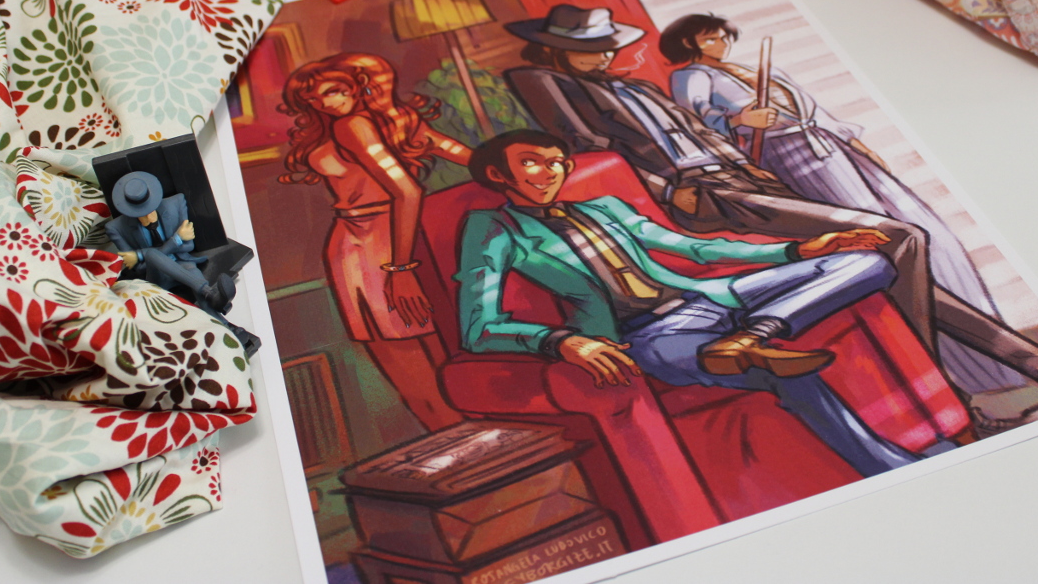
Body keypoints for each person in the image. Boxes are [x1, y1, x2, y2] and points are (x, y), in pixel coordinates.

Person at [503, 3, 1038, 406]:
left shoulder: (635, 86)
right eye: (591, 47)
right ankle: (967, 390)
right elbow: (589, 152)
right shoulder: (546, 82)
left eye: (606, 44)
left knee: (892, 252)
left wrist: (749, 164)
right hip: (704, 197)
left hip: (745, 182)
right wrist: (669, 192)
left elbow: (704, 132)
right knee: (900, 237)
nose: (605, 54)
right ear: (554, 50)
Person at [457, 129, 925, 476]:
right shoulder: (494, 229)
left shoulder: (605, 208)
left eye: (557, 162)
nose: (551, 172)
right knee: (776, 370)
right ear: (498, 174)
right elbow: (479, 326)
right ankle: (890, 468)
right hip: (646, 332)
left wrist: (798, 250)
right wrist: (561, 342)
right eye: (533, 162)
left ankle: (755, 334)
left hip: (713, 297)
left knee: (865, 262)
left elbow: (693, 248)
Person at [662, 13, 1022, 393]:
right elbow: (695, 122)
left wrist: (855, 143)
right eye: (711, 38)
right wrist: (739, 121)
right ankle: (959, 372)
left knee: (928, 232)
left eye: (723, 37)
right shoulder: (691, 76)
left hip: (831, 148)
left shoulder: (755, 70)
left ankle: (992, 363)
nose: (721, 43)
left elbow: (816, 113)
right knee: (886, 237)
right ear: (689, 44)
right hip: (787, 158)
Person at [280, 52, 467, 430]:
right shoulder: (390, 122)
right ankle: (462, 439)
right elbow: (465, 156)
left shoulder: (355, 125)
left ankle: (459, 442)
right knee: (416, 358)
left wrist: (400, 268)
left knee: (410, 363)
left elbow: (408, 191)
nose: (324, 104)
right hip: (362, 240)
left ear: (357, 86)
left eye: (332, 91)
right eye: (313, 99)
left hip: (378, 244)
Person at [106, 171, 261, 355]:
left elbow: (188, 245)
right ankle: (209, 292)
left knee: (197, 288)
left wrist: (141, 254)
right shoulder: (116, 228)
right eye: (141, 215)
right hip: (156, 276)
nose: (148, 219)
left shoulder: (175, 203)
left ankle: (228, 326)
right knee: (152, 255)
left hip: (183, 264)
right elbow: (140, 267)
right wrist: (175, 240)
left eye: (150, 211)